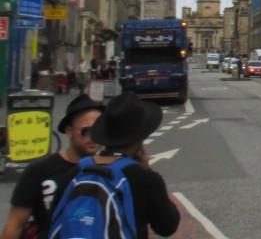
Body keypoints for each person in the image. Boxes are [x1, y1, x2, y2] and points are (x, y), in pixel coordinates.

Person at [61, 91, 180, 237]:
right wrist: (147, 169)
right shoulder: (146, 179)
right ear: (140, 138)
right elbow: (167, 227)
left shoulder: (79, 169)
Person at [1, 95, 105, 239]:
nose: (93, 137)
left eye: (99, 130)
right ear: (69, 132)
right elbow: (15, 224)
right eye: (86, 131)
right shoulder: (39, 171)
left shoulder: (109, 170)